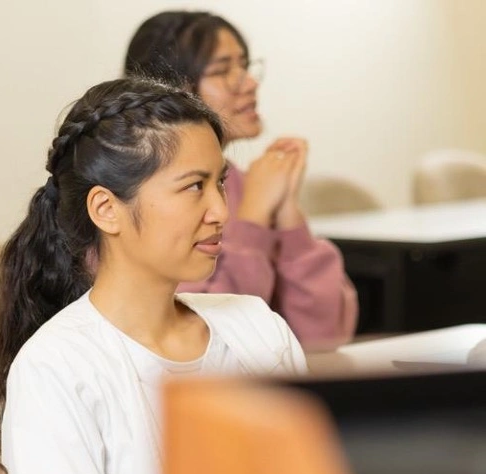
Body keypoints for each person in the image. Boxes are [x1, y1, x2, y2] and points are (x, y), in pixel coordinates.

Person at [0, 77, 308, 474]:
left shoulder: (258, 329)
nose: (221, 211)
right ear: (107, 210)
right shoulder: (56, 368)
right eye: (193, 187)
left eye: (220, 183)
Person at [124, 11, 357, 350]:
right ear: (171, 90)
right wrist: (253, 221)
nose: (249, 83)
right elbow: (204, 338)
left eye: (245, 66)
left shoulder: (248, 185)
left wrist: (287, 212)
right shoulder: (145, 197)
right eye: (222, 71)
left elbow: (324, 336)